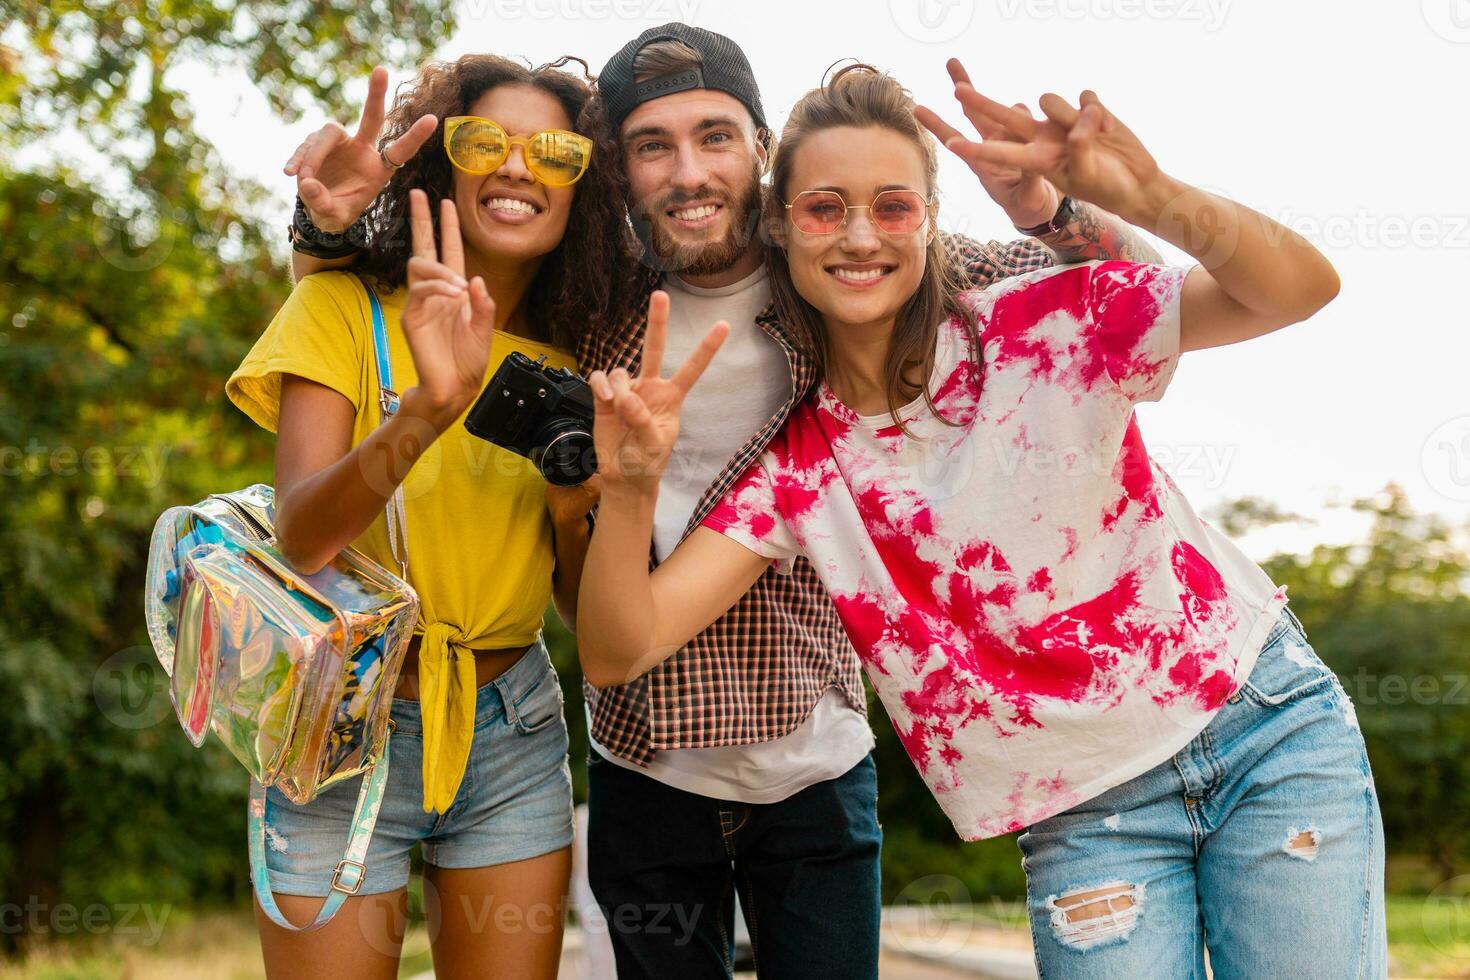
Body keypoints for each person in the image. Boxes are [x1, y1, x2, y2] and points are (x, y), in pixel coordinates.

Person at [286, 25, 1159, 976]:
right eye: (650, 146)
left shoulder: (846, 266)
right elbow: (415, 302)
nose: (689, 171)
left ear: (761, 150)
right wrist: (325, 231)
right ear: (615, 174)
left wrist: (1053, 206)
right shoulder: (587, 309)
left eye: (715, 136)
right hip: (645, 764)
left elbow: (1113, 284)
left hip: (816, 761)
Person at [576, 63, 1388, 980]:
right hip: (1085, 811)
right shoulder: (802, 471)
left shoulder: (1045, 321)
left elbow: (1296, 290)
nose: (858, 237)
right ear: (779, 224)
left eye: (891, 207)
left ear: (928, 218)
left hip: (1262, 728)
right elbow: (618, 647)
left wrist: (1150, 195)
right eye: (822, 208)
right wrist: (632, 487)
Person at [226, 54, 631, 979]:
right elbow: (302, 536)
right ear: (443, 163)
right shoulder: (339, 307)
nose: (520, 168)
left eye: (557, 153)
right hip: (340, 720)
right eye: (487, 142)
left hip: (512, 730)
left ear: (586, 189)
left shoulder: (582, 358)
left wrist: (577, 507)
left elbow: (577, 603)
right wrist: (422, 414)